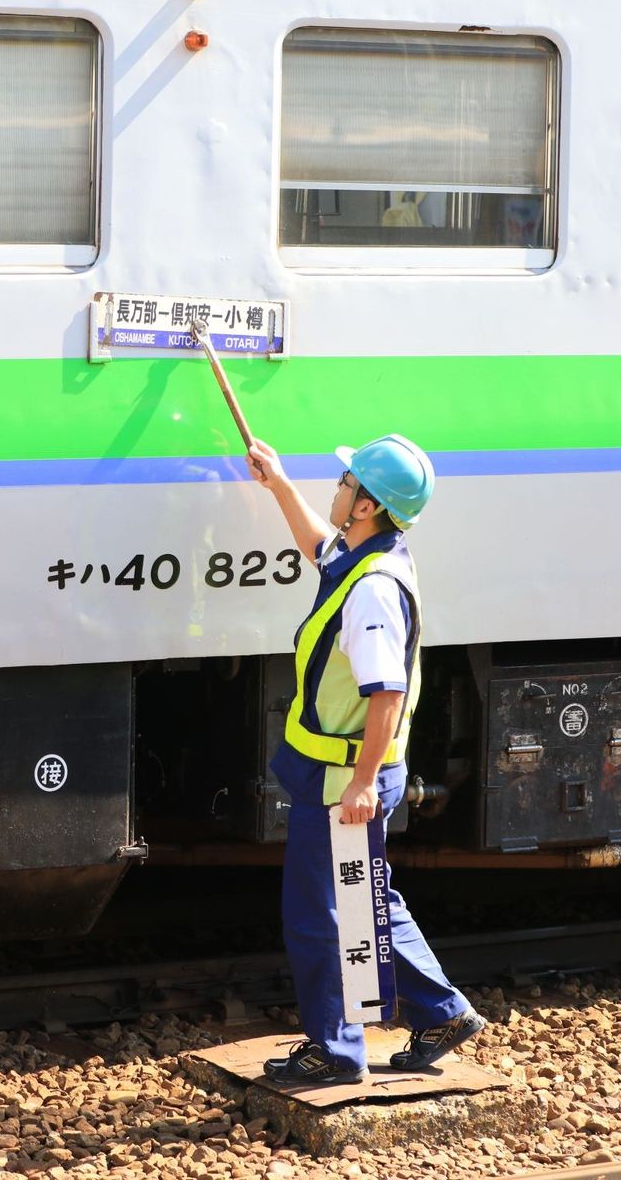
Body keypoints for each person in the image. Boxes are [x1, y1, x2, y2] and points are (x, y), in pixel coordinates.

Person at [244, 433, 485, 1087]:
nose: (340, 483)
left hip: (341, 777)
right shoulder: (361, 556)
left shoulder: (372, 590)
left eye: (348, 481)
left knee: (323, 913)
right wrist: (279, 483)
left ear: (367, 505)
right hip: (336, 771)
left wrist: (357, 786)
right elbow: (316, 546)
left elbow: (386, 696)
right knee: (364, 899)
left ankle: (336, 1050)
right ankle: (441, 1012)